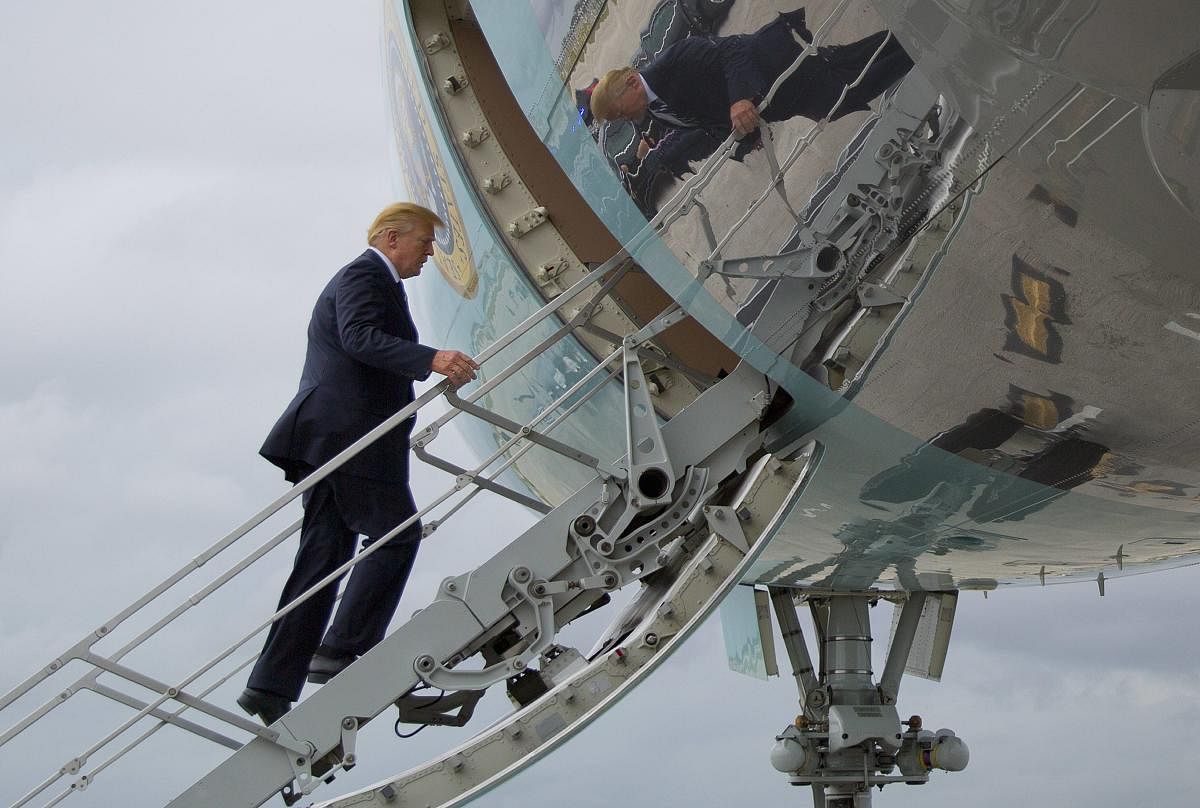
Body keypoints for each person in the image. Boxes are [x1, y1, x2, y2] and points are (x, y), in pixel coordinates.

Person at [237, 202, 479, 725]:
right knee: (397, 533)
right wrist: (430, 358)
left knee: (323, 558)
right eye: (423, 243)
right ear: (392, 239)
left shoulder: (373, 278)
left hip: (335, 436)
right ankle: (342, 648)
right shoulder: (365, 275)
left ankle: (271, 684)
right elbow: (359, 337)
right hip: (352, 435)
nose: (428, 254)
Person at [590, 9, 913, 144]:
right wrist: (747, 138)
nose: (629, 120)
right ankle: (920, 36)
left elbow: (733, 52)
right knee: (850, 66)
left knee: (844, 90)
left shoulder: (673, 60)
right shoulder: (658, 111)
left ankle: (926, 47)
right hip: (780, 93)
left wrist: (739, 100)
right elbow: (708, 122)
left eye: (620, 113)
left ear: (631, 83)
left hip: (778, 67)